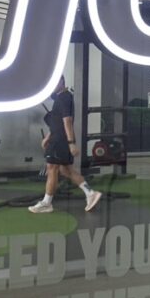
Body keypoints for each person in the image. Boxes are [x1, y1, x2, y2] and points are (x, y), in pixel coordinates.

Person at [29, 76, 102, 213]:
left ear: (62, 82)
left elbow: (67, 121)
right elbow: (57, 122)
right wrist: (48, 137)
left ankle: (46, 203)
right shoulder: (61, 98)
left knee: (52, 168)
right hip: (58, 138)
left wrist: (71, 143)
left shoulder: (64, 98)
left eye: (54, 83)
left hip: (60, 141)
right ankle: (90, 193)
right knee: (66, 170)